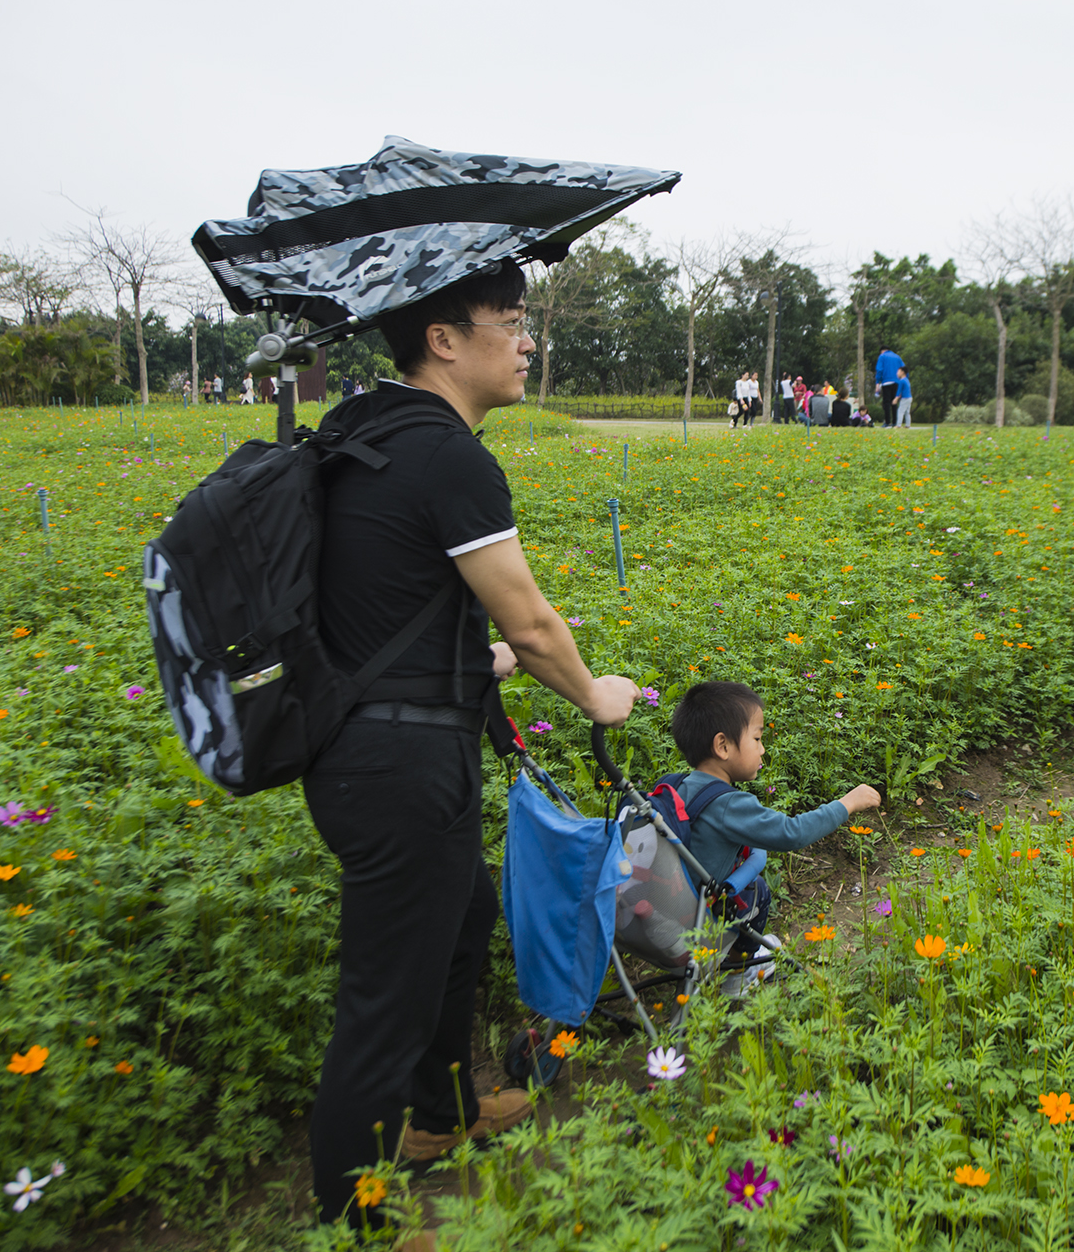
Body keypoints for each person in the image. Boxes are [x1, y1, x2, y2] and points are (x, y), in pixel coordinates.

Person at [303, 260, 638, 1225]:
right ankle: (354, 1219)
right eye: (509, 321)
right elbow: (532, 623)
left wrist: (467, 664)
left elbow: (381, 592)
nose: (527, 340)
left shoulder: (365, 433)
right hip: (399, 763)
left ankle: (439, 1113)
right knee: (383, 997)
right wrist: (592, 695)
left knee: (459, 928)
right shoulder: (447, 454)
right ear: (444, 340)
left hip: (386, 745)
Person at [667, 682, 879, 968]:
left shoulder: (678, 785)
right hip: (695, 923)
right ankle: (738, 972)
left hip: (663, 914)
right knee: (757, 891)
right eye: (757, 739)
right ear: (723, 746)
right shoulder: (729, 804)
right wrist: (847, 804)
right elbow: (793, 833)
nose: (763, 749)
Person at [875, 346, 903, 427]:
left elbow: (879, 369)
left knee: (886, 402)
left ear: (882, 351)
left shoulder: (882, 356)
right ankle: (895, 422)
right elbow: (904, 369)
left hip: (886, 382)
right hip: (897, 382)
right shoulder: (897, 357)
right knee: (894, 402)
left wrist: (877, 383)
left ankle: (887, 422)